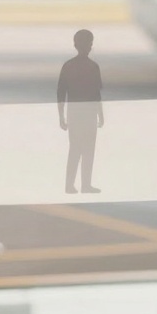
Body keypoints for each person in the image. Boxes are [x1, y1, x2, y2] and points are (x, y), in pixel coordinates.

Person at [57, 29, 103, 194]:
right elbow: (97, 94)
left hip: (76, 113)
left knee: (77, 149)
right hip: (86, 113)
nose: (89, 47)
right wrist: (100, 115)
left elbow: (61, 93)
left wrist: (61, 116)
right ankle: (82, 185)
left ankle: (75, 185)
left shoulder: (68, 66)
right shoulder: (93, 67)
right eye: (89, 43)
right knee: (84, 150)